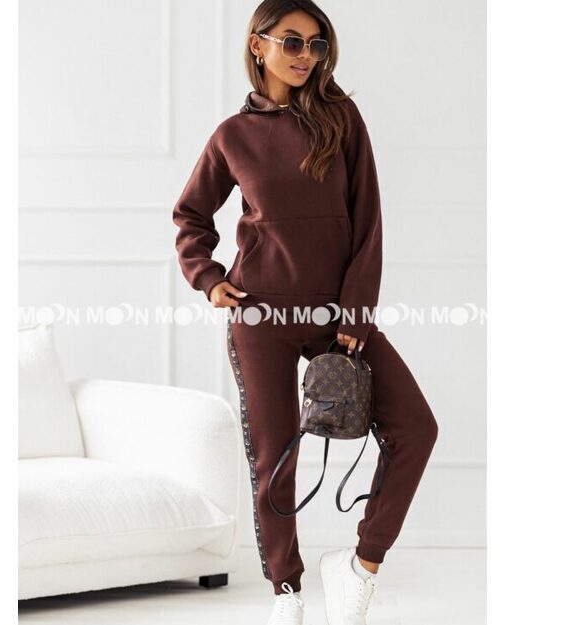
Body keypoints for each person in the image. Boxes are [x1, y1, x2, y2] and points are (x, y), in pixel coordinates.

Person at [172, 2, 438, 624]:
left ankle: (359, 565)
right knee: (274, 456)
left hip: (337, 317)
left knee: (415, 428)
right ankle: (285, 595)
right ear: (258, 45)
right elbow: (191, 215)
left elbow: (368, 223)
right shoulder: (232, 136)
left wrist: (355, 315)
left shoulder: (341, 119)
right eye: (292, 41)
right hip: (258, 316)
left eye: (317, 45)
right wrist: (208, 278)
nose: (306, 56)